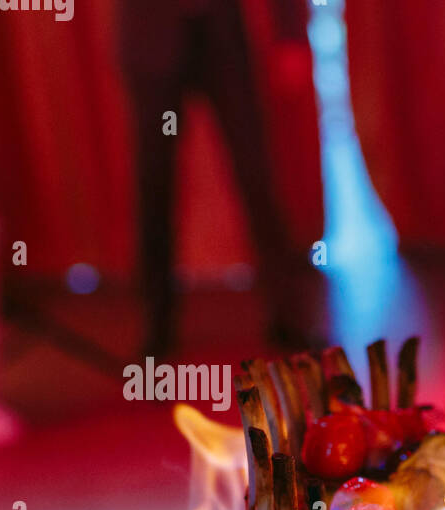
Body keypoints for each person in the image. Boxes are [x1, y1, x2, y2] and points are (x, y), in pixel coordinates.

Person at [117, 0, 316, 355]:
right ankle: (156, 323)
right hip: (151, 36)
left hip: (221, 31)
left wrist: (290, 33)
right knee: (155, 183)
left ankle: (289, 315)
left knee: (257, 175)